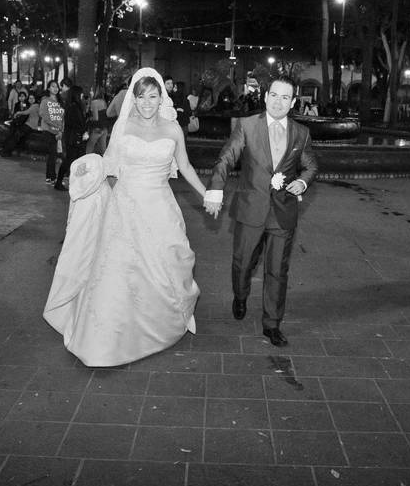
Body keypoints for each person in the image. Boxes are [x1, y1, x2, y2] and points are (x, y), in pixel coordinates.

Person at [43, 68, 205, 366]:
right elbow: (110, 163)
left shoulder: (172, 129)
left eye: (152, 97)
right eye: (141, 97)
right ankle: (107, 337)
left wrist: (206, 194)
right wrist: (88, 169)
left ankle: (160, 323)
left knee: (166, 262)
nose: (146, 103)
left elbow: (186, 166)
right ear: (134, 98)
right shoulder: (123, 126)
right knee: (119, 270)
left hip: (160, 207)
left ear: (161, 99)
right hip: (125, 206)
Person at [203, 76, 319, 347]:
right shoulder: (246, 126)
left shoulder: (300, 133)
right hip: (250, 209)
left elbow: (311, 165)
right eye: (274, 95)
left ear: (292, 103)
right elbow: (226, 158)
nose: (278, 101)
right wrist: (216, 188)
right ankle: (241, 295)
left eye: (285, 97)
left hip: (283, 213)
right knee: (242, 263)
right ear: (266, 97)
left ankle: (272, 323)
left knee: (277, 270)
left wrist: (302, 181)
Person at [54, 85, 88, 191]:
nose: (83, 95)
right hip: (74, 138)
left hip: (73, 138)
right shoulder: (74, 107)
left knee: (71, 160)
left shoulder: (73, 106)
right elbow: (77, 123)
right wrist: (84, 130)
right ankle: (60, 182)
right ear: (77, 94)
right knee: (70, 160)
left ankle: (64, 182)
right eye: (81, 93)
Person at [40, 80, 66, 184]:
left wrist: (61, 130)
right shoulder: (45, 101)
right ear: (48, 88)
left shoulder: (61, 101)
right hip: (48, 131)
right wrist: (57, 126)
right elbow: (45, 117)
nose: (55, 88)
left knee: (53, 155)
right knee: (52, 154)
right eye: (52, 86)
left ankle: (50, 177)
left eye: (57, 87)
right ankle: (52, 177)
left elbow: (63, 117)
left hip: (58, 132)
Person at [85, 88, 108, 155]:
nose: (90, 91)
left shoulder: (94, 102)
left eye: (92, 90)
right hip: (104, 128)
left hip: (97, 128)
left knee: (89, 149)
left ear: (95, 93)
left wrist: (89, 119)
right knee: (103, 150)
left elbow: (96, 118)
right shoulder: (103, 102)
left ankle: (86, 163)